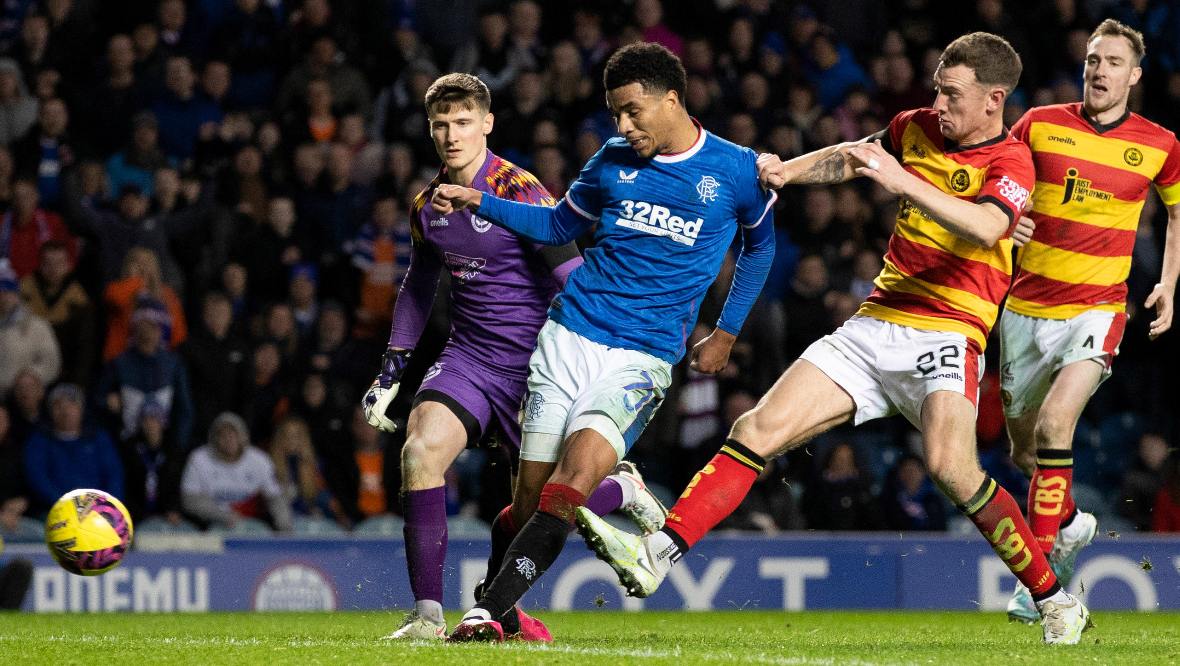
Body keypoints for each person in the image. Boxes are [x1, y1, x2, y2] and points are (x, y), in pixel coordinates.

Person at [576, 33, 1093, 645]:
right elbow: (855, 155)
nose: (938, 103)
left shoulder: (1011, 162)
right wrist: (785, 172)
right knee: (755, 431)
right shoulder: (916, 127)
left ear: (993, 99)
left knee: (951, 468)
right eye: (936, 89)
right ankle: (656, 554)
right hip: (875, 324)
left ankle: (1055, 600)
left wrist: (903, 184)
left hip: (950, 333)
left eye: (952, 93)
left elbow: (986, 226)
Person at [430, 45, 775, 642]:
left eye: (633, 112)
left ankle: (485, 616)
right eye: (616, 113)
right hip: (568, 337)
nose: (623, 126)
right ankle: (518, 599)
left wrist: (726, 330)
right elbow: (560, 225)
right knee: (530, 503)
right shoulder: (612, 160)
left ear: (673, 99)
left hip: (643, 356)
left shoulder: (737, 169)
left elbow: (759, 246)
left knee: (572, 481)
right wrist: (479, 201)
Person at [360, 72, 668, 640]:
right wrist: (392, 369)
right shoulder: (429, 206)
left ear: (487, 124)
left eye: (462, 123)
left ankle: (622, 489)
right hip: (470, 360)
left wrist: (594, 359)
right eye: (440, 125)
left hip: (539, 368)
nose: (451, 135)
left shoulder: (521, 192)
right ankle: (427, 616)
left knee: (537, 512)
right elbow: (418, 286)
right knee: (419, 451)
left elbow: (572, 277)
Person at [999, 20, 1180, 624]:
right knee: (1026, 452)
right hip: (1025, 308)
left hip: (1098, 309)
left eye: (1112, 62)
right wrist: (1007, 217)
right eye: (1092, 60)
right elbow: (1003, 180)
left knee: (1057, 425)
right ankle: (1072, 522)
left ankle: (1040, 580)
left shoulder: (1160, 144)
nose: (1098, 70)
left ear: (1134, 75)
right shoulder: (1041, 123)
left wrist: (1169, 284)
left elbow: (1177, 219)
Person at [180, 411, 291, 532]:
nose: (229, 439)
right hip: (210, 525)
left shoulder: (259, 460)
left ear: (243, 436)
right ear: (214, 438)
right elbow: (190, 499)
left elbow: (275, 497)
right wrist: (223, 515)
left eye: (234, 435)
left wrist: (284, 526)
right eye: (223, 435)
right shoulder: (199, 459)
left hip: (254, 525)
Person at [23, 383, 124, 514]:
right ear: (50, 411)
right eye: (58, 405)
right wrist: (68, 505)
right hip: (53, 512)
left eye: (71, 404)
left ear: (81, 409)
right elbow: (37, 479)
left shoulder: (98, 439)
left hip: (97, 513)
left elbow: (114, 475)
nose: (65, 411)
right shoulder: (39, 441)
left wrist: (106, 506)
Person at [0, 260, 60, 400]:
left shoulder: (37, 326)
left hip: (24, 400)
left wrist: (30, 377)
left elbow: (51, 361)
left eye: (7, 292)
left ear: (16, 294)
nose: (3, 298)